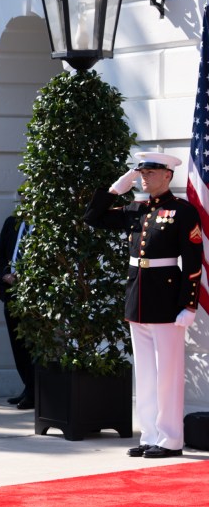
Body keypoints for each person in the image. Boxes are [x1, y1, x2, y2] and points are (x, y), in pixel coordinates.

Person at [84, 151, 202, 459]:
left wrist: (189, 305)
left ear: (167, 175)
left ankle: (171, 439)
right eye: (141, 172)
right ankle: (150, 434)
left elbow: (192, 262)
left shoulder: (182, 211)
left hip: (166, 301)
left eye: (151, 172)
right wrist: (114, 190)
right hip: (138, 299)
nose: (144, 177)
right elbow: (92, 219)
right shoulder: (135, 209)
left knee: (168, 374)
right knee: (147, 374)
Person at [0, 211, 35, 409]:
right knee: (17, 342)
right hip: (11, 290)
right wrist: (4, 274)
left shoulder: (44, 225)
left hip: (34, 293)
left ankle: (34, 391)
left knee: (32, 343)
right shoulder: (12, 222)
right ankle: (28, 386)